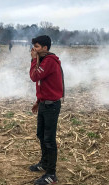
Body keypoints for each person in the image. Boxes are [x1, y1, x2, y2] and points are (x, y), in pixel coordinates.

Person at [29, 35, 64, 185]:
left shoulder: (49, 61)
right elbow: (44, 84)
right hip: (44, 103)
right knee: (41, 135)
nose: (34, 50)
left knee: (49, 140)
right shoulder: (44, 60)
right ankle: (44, 163)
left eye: (36, 47)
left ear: (45, 48)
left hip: (51, 106)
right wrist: (38, 101)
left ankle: (51, 175)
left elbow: (35, 76)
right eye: (34, 47)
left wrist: (32, 60)